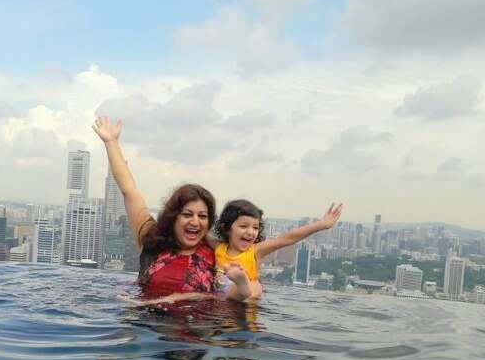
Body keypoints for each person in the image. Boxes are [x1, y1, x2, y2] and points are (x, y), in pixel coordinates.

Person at [92, 116, 247, 299]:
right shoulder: (152, 240)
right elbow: (129, 191)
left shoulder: (216, 253)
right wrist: (111, 142)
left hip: (197, 325)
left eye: (203, 216)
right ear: (174, 216)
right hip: (146, 323)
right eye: (187, 214)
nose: (195, 221)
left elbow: (237, 296)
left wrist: (242, 283)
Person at [211, 199, 343, 301]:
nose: (250, 232)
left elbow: (287, 239)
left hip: (246, 303)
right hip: (223, 299)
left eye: (255, 228)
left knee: (251, 289)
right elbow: (200, 233)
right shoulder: (218, 247)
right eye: (244, 226)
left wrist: (321, 224)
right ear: (227, 228)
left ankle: (242, 284)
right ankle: (240, 285)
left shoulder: (255, 251)